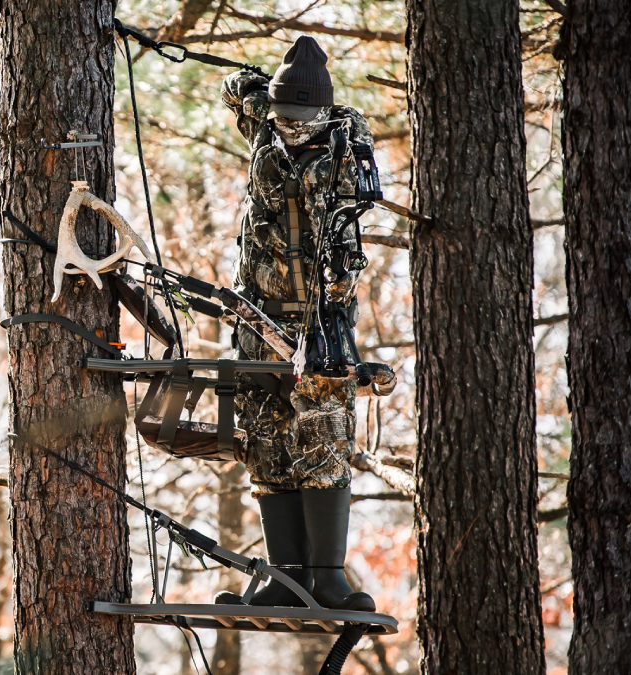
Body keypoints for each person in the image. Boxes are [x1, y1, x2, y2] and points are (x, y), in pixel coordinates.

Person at [215, 35, 375, 612]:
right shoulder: (265, 123)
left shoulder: (345, 141)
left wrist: (340, 269)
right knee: (267, 442)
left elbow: (353, 209)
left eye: (305, 118)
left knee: (323, 439)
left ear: (324, 111)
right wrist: (259, 88)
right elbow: (237, 86)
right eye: (286, 116)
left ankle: (327, 579)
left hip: (322, 326)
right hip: (258, 321)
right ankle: (282, 579)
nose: (293, 128)